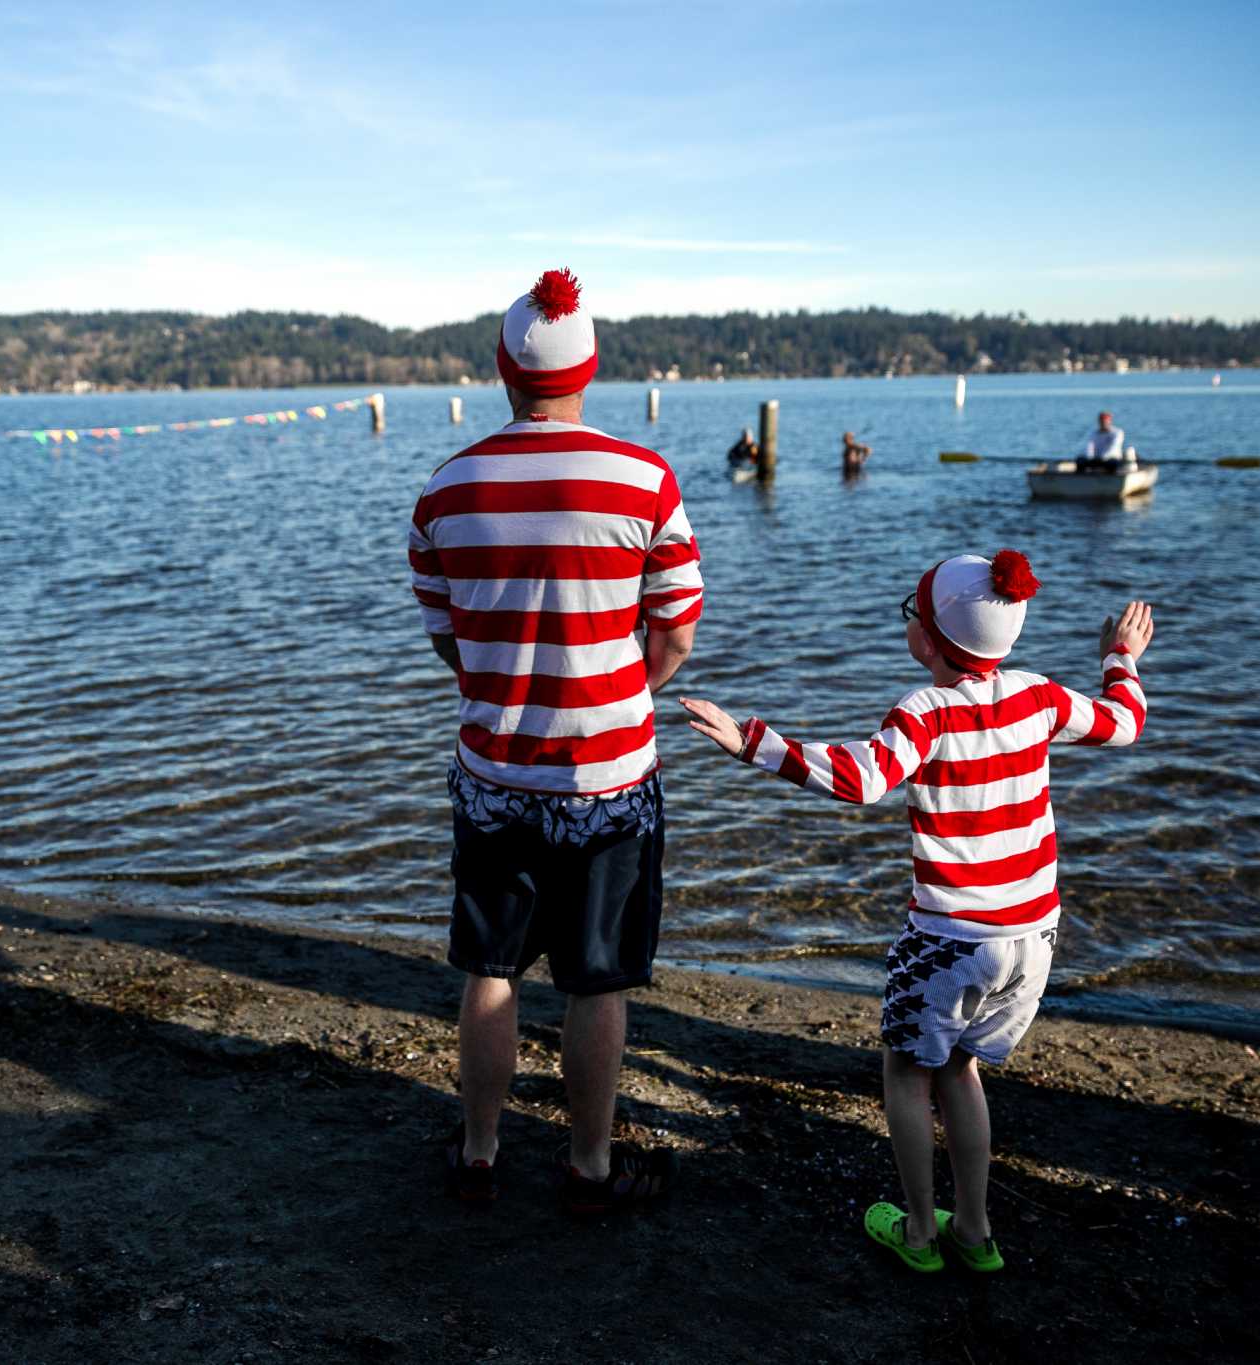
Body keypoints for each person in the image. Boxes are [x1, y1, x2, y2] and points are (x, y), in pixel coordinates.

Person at [679, 552, 1152, 1271]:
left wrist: (753, 741)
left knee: (906, 1071)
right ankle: (974, 1227)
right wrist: (1120, 656)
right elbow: (1124, 723)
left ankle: (921, 1235)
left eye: (913, 612)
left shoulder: (924, 712)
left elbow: (861, 779)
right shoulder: (1040, 698)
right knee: (962, 1068)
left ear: (928, 640)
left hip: (950, 937)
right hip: (1033, 938)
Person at [408, 268, 704, 1213]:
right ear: (591, 370)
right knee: (595, 978)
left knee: (490, 968)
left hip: (495, 772)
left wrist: (510, 692)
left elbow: (451, 642)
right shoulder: (645, 482)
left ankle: (481, 1151)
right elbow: (677, 635)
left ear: (501, 370)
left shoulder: (444, 491)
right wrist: (621, 695)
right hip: (609, 777)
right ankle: (587, 1165)